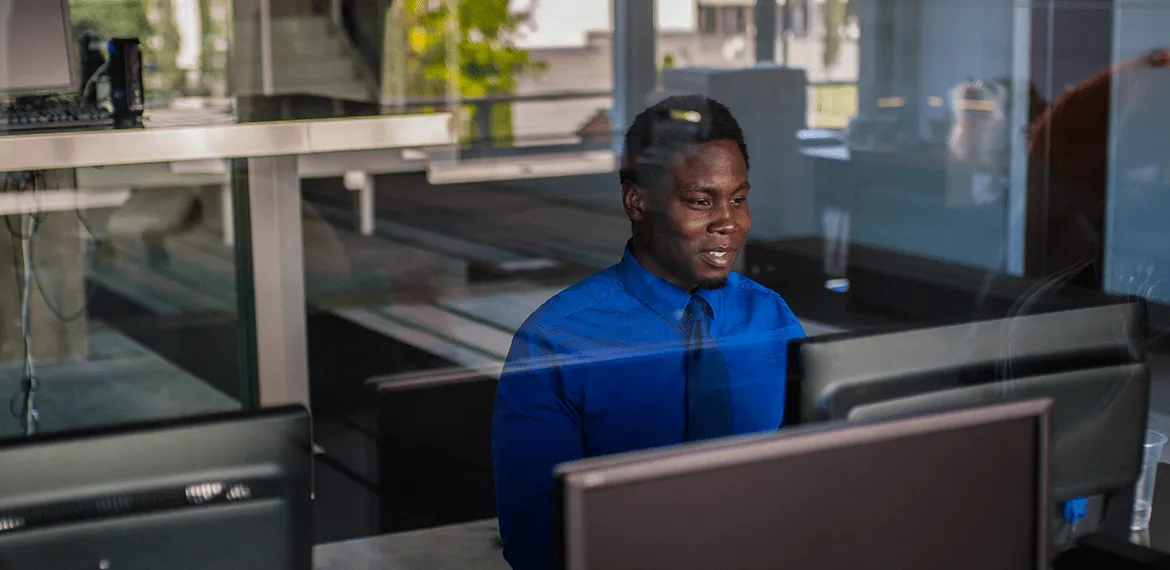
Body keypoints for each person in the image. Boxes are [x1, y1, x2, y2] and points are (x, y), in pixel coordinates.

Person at [491, 94, 806, 569]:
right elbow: (535, 541)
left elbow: (813, 479)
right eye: (701, 201)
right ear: (636, 202)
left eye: (738, 199)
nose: (728, 223)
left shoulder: (770, 317)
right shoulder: (555, 341)